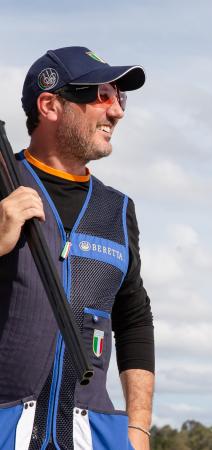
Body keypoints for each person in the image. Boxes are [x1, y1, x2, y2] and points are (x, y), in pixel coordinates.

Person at [0, 47, 155, 450]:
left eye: (120, 97)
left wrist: (137, 429)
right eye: (102, 95)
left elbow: (134, 319)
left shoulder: (117, 210)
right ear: (50, 105)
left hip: (93, 436)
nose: (117, 111)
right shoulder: (3, 184)